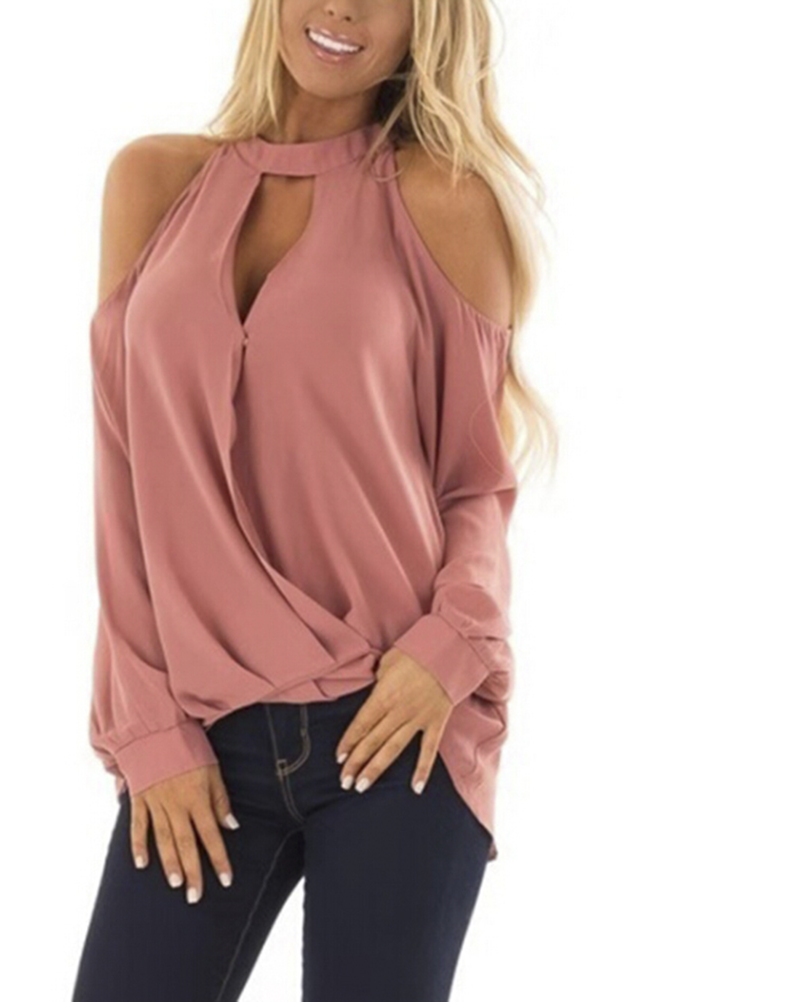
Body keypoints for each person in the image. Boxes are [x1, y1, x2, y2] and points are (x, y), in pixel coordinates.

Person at [72, 1, 553, 999]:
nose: (342, 7)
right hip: (204, 729)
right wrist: (147, 727)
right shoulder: (151, 183)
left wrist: (447, 651)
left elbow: (475, 481)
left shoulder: (447, 202)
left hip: (396, 721)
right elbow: (124, 480)